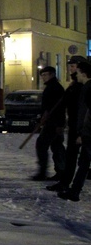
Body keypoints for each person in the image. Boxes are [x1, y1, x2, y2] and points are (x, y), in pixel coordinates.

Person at [48, 56, 87, 192]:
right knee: (73, 156)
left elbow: (83, 109)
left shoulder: (83, 86)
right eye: (70, 66)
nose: (71, 69)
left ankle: (70, 185)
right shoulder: (75, 85)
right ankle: (66, 183)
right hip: (75, 124)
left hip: (81, 126)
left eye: (74, 66)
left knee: (79, 157)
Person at [58, 60, 91, 202]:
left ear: (83, 74)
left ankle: (74, 191)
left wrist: (81, 133)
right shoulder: (86, 88)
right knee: (84, 162)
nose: (75, 75)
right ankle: (74, 191)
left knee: (84, 162)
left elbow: (87, 114)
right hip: (86, 131)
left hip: (87, 132)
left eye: (77, 72)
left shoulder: (88, 89)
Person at [32, 66, 66, 181]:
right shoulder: (52, 87)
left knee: (42, 145)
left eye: (45, 75)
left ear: (52, 74)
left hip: (53, 123)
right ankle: (61, 171)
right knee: (56, 146)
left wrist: (58, 124)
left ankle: (44, 172)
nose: (43, 77)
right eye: (42, 75)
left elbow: (57, 108)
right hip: (52, 122)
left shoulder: (54, 88)